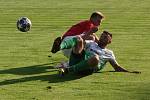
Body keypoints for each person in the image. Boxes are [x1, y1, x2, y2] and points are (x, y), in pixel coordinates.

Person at [56, 31, 140, 76]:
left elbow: (117, 67)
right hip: (77, 61)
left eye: (105, 37)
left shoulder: (109, 53)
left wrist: (130, 72)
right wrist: (87, 34)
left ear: (109, 41)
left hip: (88, 68)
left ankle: (68, 70)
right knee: (78, 39)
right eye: (102, 36)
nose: (102, 37)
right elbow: (80, 43)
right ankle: (59, 46)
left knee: (95, 57)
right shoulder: (92, 43)